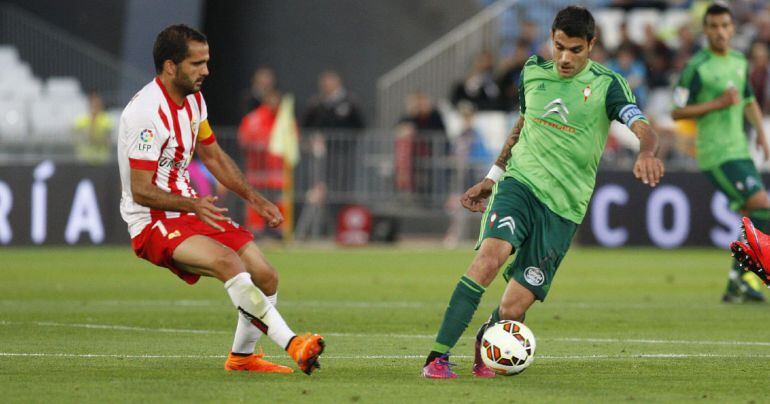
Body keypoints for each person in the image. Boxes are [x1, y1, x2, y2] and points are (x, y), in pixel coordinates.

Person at [422, 6, 664, 379]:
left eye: (575, 50)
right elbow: (523, 123)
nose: (565, 58)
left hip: (564, 208)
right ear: (551, 40)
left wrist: (646, 151)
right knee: (489, 258)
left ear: (592, 45)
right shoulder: (532, 72)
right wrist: (493, 175)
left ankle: (485, 345)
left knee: (515, 307)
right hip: (520, 185)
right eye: (559, 47)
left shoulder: (608, 85)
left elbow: (644, 128)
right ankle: (437, 357)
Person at [117, 24, 324, 375]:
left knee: (265, 274)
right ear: (170, 66)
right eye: (197, 64)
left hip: (190, 207)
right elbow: (141, 190)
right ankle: (293, 344)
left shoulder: (195, 100)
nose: (206, 71)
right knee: (229, 262)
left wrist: (255, 199)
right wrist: (192, 204)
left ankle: (242, 357)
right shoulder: (145, 114)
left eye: (206, 62)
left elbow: (212, 156)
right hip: (152, 220)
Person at [671, 3, 770, 304]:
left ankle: (736, 284)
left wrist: (763, 137)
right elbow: (677, 110)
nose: (720, 32)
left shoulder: (740, 60)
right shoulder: (696, 68)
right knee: (762, 207)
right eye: (713, 26)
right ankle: (744, 279)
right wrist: (717, 103)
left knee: (754, 214)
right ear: (706, 30)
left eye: (725, 26)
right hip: (716, 153)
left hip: (739, 150)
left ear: (732, 28)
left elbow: (748, 100)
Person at [72, 92, 114, 165]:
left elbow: (108, 140)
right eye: (92, 104)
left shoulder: (107, 120)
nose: (95, 107)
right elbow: (76, 138)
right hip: (85, 160)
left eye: (97, 104)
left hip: (102, 161)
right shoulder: (80, 120)